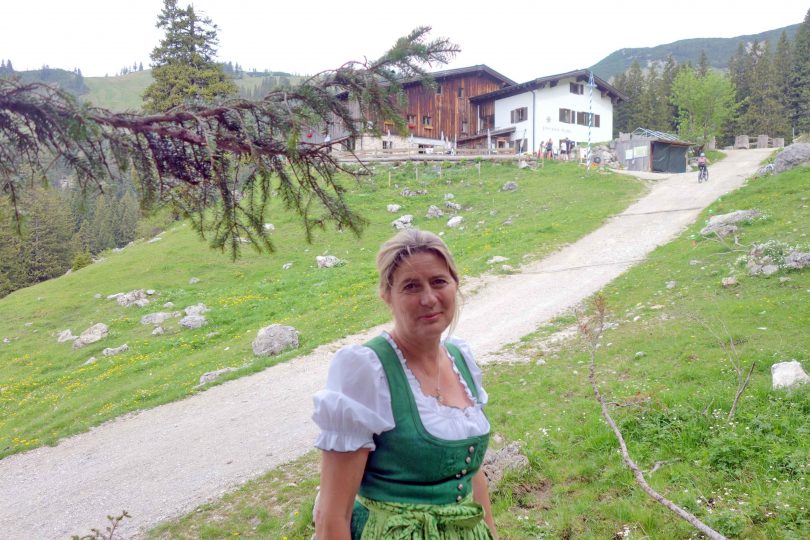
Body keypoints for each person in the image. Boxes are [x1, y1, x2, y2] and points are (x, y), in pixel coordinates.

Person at [313, 229, 498, 540]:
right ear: (387, 295)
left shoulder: (461, 359)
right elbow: (332, 516)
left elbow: (472, 475)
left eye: (439, 281)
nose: (429, 299)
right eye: (411, 286)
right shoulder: (367, 370)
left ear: (455, 284)